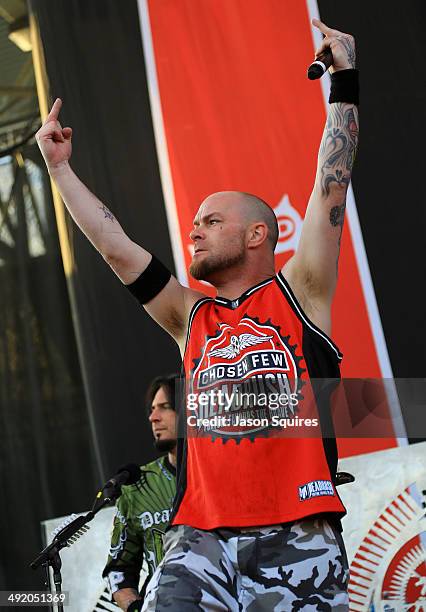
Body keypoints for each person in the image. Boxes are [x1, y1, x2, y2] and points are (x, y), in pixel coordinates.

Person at [36, 18, 358, 611]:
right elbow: (115, 246)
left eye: (212, 221)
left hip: (296, 532)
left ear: (258, 233)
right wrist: (59, 170)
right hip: (197, 539)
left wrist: (345, 83)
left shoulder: (301, 293)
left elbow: (330, 185)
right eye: (195, 223)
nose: (195, 230)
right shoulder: (191, 317)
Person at [103, 375, 178, 612]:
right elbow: (118, 571)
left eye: (165, 407)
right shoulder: (137, 485)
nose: (153, 417)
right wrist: (136, 608)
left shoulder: (225, 474)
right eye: (152, 409)